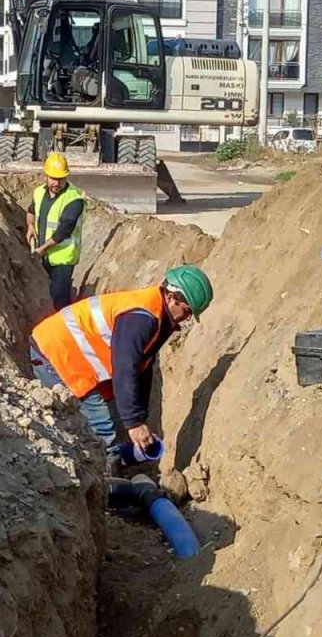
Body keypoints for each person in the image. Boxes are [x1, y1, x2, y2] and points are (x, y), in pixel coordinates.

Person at [28, 265, 214, 465]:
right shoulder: (140, 318)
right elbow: (125, 369)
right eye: (186, 311)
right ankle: (107, 479)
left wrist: (140, 417)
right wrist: (134, 424)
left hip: (75, 357)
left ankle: (112, 462)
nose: (186, 319)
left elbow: (143, 366)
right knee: (101, 427)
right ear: (171, 297)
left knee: (111, 415)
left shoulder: (159, 315)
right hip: (56, 353)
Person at [26, 153, 86, 311]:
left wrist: (41, 249)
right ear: (46, 176)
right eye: (53, 178)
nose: (57, 183)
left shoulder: (74, 199)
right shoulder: (39, 193)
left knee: (59, 298)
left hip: (62, 260)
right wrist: (30, 226)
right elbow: (31, 210)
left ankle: (64, 323)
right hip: (43, 257)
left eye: (61, 179)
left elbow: (64, 230)